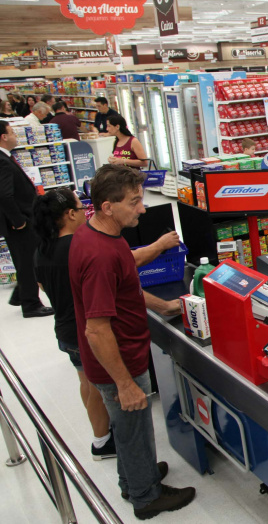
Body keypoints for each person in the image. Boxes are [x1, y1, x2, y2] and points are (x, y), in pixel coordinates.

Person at [70, 165, 195, 519]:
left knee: (129, 430)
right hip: (118, 363)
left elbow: (125, 285)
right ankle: (146, 497)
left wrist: (164, 305)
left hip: (119, 356)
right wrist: (124, 383)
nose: (142, 208)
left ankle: (133, 478)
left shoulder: (98, 235)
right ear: (107, 206)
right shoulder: (100, 254)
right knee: (134, 427)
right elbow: (96, 328)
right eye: (134, 202)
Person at [32, 188, 179, 460]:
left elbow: (43, 285)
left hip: (64, 330)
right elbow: (122, 275)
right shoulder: (79, 246)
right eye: (80, 206)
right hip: (83, 333)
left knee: (88, 387)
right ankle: (106, 445)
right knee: (105, 393)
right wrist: (160, 246)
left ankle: (101, 440)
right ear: (69, 214)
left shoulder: (43, 249)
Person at [0, 121, 54, 319]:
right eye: (12, 132)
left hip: (20, 219)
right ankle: (31, 305)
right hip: (19, 223)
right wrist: (19, 221)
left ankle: (21, 295)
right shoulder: (2, 161)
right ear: (4, 137)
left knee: (27, 259)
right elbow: (5, 195)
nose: (16, 136)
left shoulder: (5, 158)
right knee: (27, 262)